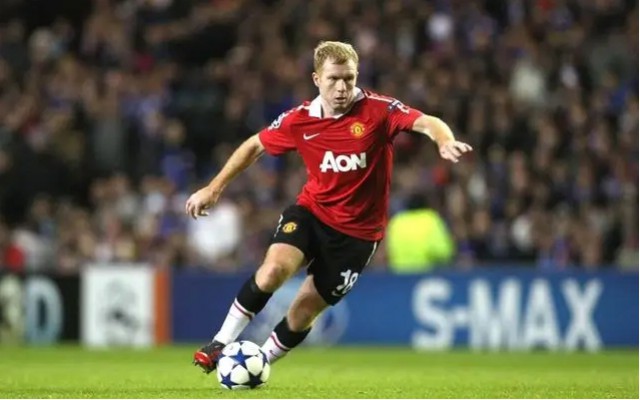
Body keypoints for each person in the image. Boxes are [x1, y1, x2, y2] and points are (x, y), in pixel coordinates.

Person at [185, 41, 472, 373]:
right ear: (316, 79)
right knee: (274, 270)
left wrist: (444, 141)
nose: (342, 87)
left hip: (358, 236)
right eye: (334, 78)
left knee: (302, 312)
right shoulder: (299, 120)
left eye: (349, 78)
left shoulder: (379, 111)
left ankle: (258, 363)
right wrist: (214, 188)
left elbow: (426, 122)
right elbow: (254, 145)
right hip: (312, 213)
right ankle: (219, 343)